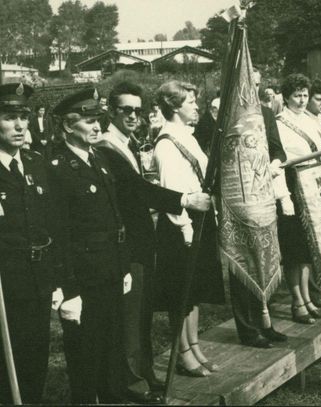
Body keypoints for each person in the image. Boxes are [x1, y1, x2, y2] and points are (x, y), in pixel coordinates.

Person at [96, 81, 212, 402]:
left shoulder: (128, 143)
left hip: (143, 241)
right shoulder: (107, 148)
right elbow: (138, 190)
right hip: (127, 243)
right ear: (111, 111)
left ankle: (145, 374)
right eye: (126, 110)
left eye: (138, 110)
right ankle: (135, 383)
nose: (134, 116)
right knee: (132, 319)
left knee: (142, 316)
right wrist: (186, 199)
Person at [48, 88, 130, 404]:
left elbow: (114, 215)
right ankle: (86, 399)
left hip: (109, 265)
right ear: (68, 126)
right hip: (83, 272)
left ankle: (111, 394)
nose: (97, 127)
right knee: (85, 345)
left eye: (98, 120)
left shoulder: (98, 158)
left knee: (111, 338)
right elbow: (60, 231)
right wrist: (69, 288)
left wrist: (123, 265)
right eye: (88, 121)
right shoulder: (57, 167)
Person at [152, 80, 225, 372]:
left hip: (198, 220)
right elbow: (173, 192)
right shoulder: (167, 142)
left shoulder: (187, 136)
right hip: (181, 225)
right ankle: (182, 352)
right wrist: (186, 230)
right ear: (174, 106)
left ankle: (195, 344)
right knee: (180, 294)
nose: (196, 107)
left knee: (193, 291)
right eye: (190, 102)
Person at [0, 83, 61, 404]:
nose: (21, 125)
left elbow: (50, 226)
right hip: (5, 287)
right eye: (10, 117)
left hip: (37, 283)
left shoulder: (35, 164)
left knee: (35, 360)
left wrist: (58, 281)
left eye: (23, 116)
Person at [276, 74, 321, 325]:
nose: (301, 100)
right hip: (291, 186)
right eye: (296, 95)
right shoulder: (279, 123)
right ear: (285, 97)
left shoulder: (311, 120)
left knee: (307, 248)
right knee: (294, 248)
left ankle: (308, 298)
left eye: (305, 95)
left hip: (311, 185)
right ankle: (297, 302)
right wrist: (284, 198)